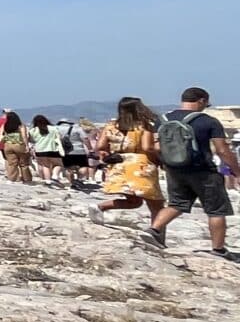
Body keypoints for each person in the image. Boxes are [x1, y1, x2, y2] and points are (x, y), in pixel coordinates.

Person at [148, 89, 235, 258]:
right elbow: (222, 150)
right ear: (201, 101)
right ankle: (218, 250)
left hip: (174, 169)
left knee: (176, 204)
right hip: (203, 171)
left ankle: (154, 230)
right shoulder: (208, 121)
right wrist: (236, 171)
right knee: (216, 210)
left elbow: (157, 147)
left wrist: (167, 162)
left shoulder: (163, 120)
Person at [94, 97, 164, 231]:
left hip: (118, 164)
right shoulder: (143, 125)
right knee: (156, 204)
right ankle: (157, 234)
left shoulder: (111, 125)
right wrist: (159, 160)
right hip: (140, 165)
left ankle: (100, 207)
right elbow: (147, 147)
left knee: (134, 202)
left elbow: (100, 145)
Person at [0, 111, 33, 183]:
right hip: (19, 145)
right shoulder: (20, 125)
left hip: (8, 145)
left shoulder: (5, 125)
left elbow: (2, 135)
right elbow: (24, 136)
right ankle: (27, 179)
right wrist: (27, 145)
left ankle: (12, 179)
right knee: (23, 163)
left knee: (12, 164)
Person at [30, 115, 65, 184]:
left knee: (45, 166)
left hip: (40, 150)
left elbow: (31, 140)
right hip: (52, 149)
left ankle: (48, 180)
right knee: (59, 164)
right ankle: (55, 175)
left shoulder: (33, 130)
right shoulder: (52, 128)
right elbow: (59, 138)